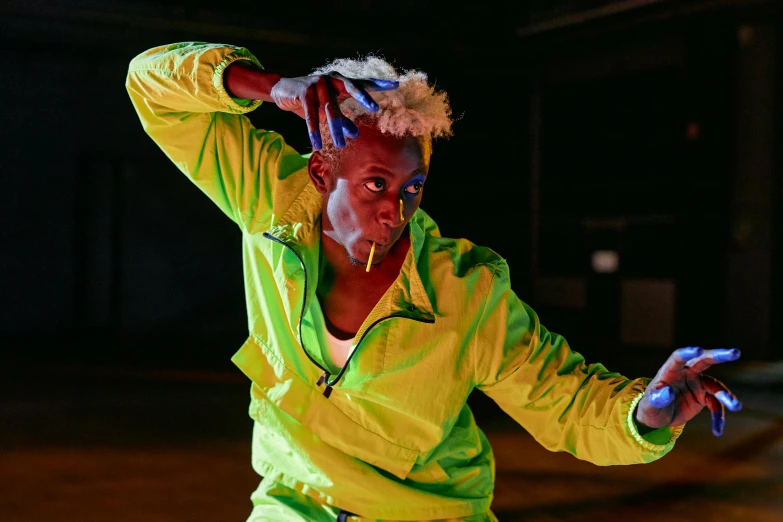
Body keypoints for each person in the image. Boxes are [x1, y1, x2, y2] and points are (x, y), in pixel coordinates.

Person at [126, 42, 743, 522]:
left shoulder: (462, 292)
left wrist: (648, 412)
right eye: (374, 184)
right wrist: (274, 88)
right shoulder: (268, 198)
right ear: (321, 170)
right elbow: (150, 84)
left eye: (410, 188)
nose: (395, 211)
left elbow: (569, 403)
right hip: (294, 501)